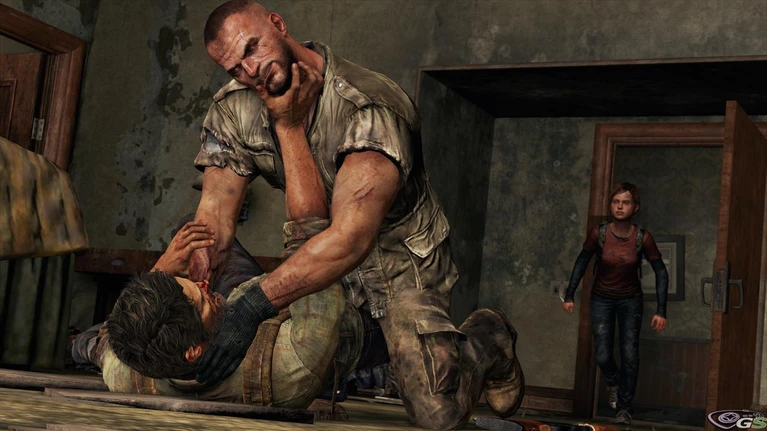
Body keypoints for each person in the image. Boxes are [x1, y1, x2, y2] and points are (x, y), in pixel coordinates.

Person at [188, 1, 524, 428]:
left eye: (252, 48)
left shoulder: (370, 104)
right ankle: (381, 346)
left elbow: (351, 238)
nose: (251, 71)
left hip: (399, 263)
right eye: (235, 68)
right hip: (322, 261)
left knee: (438, 414)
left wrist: (253, 305)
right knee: (274, 364)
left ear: (278, 24)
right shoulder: (232, 110)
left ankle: (487, 338)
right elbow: (214, 218)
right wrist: (194, 283)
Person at [72, 214, 379, 409]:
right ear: (193, 350)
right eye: (200, 299)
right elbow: (316, 255)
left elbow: (113, 333)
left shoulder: (126, 373)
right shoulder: (292, 362)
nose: (204, 284)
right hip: (349, 325)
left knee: (196, 232)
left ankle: (74, 341)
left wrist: (161, 269)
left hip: (240, 300)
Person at [562, 182, 669, 425]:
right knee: (602, 355)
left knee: (630, 353)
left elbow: (661, 272)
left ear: (635, 207)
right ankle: (614, 381)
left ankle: (625, 408)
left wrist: (661, 310)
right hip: (601, 299)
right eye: (616, 202)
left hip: (630, 301)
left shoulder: (642, 238)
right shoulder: (599, 233)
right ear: (611, 205)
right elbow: (582, 261)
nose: (620, 207)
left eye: (626, 202)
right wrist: (569, 295)